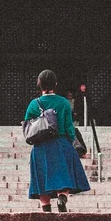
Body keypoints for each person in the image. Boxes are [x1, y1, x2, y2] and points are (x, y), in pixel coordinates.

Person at [22, 68, 91, 213]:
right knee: (64, 176)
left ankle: (46, 210)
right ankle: (62, 198)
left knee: (42, 179)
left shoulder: (34, 104)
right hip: (61, 143)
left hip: (40, 146)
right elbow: (69, 127)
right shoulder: (64, 102)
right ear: (56, 84)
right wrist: (74, 144)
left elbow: (27, 126)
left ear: (39, 84)